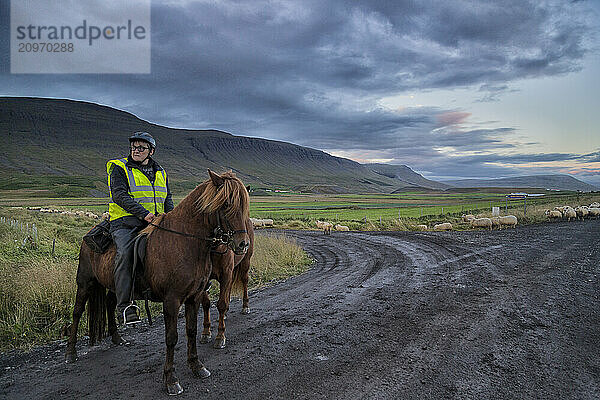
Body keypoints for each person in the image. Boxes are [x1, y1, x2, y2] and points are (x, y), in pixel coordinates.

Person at [106, 132, 174, 324]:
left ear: (151, 152)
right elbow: (119, 195)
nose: (136, 150)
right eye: (134, 147)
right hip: (125, 222)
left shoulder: (161, 172)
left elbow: (167, 198)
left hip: (155, 222)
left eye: (141, 148)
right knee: (125, 253)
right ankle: (125, 306)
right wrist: (144, 214)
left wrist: (171, 218)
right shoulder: (119, 168)